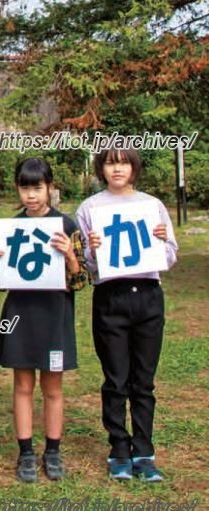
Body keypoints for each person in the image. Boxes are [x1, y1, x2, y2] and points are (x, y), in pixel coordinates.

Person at [0, 158, 88, 482]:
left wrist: (70, 256)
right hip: (21, 315)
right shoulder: (11, 228)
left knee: (53, 387)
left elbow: (82, 280)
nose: (31, 195)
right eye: (25, 187)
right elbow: (2, 284)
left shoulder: (67, 226)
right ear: (17, 189)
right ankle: (26, 451)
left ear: (50, 188)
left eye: (37, 187)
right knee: (23, 384)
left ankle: (53, 450)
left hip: (54, 316)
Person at [76, 148, 178, 482]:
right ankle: (119, 448)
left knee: (143, 381)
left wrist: (162, 242)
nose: (117, 168)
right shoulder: (90, 208)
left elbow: (170, 255)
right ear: (101, 168)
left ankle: (144, 452)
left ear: (133, 167)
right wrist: (92, 249)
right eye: (110, 162)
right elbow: (89, 266)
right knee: (116, 379)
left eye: (123, 162)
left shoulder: (152, 205)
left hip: (147, 295)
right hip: (110, 297)